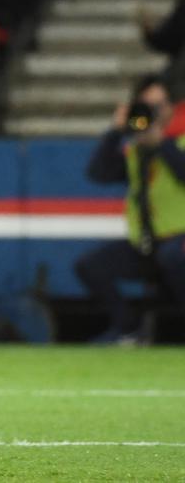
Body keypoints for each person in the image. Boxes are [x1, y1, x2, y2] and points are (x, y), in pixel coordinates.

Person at [74, 76, 185, 342]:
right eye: (145, 106)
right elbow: (98, 173)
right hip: (148, 243)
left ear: (171, 107)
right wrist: (115, 131)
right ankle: (128, 328)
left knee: (172, 257)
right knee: (91, 265)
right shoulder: (135, 148)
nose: (152, 113)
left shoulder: (180, 140)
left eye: (157, 106)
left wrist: (161, 144)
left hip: (179, 239)